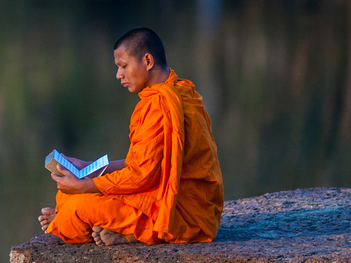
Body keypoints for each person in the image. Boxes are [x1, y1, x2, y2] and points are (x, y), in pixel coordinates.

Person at [38, 27, 224, 246]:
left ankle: (115, 227)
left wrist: (87, 187)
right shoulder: (179, 91)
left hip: (183, 211)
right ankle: (119, 228)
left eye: (123, 66)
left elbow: (142, 175)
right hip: (162, 194)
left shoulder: (163, 103)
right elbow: (146, 164)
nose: (118, 75)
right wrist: (91, 167)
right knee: (67, 195)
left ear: (147, 60)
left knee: (75, 206)